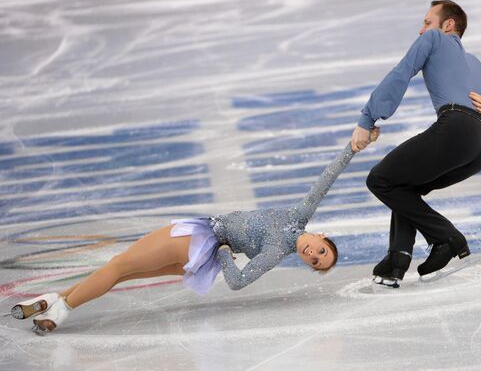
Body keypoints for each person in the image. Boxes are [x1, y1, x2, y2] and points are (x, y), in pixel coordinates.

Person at [10, 134, 379, 334]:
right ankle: (49, 300)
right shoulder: (301, 215)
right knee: (124, 271)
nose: (312, 255)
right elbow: (326, 180)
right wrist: (352, 146)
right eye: (320, 251)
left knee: (119, 264)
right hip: (200, 257)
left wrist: (220, 248)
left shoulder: (275, 251)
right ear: (320, 236)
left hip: (199, 238)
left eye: (315, 262)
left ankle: (60, 313)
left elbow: (237, 281)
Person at [351, 0, 481, 287]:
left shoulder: (435, 39)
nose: (422, 30)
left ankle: (448, 239)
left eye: (426, 22)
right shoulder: (475, 64)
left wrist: (367, 119)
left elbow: (402, 72)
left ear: (447, 25)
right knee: (404, 186)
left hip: (455, 130)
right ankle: (396, 261)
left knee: (380, 179)